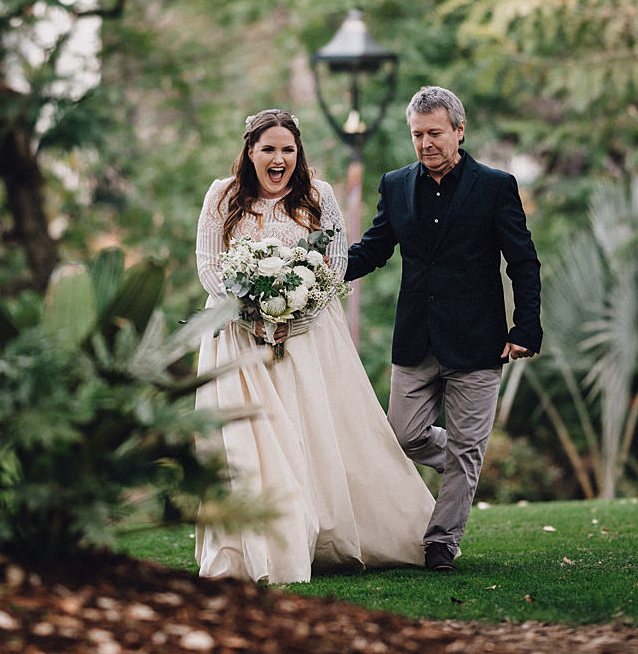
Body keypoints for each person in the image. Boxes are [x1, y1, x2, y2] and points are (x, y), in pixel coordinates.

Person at [193, 108, 436, 584]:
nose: (279, 158)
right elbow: (208, 265)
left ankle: (323, 534)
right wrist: (252, 314)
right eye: (269, 149)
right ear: (250, 152)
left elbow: (335, 263)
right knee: (251, 442)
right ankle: (256, 546)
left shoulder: (318, 196)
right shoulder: (221, 195)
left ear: (298, 153)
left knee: (312, 435)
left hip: (307, 338)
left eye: (288, 149)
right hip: (239, 341)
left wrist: (292, 316)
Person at [346, 86, 542, 572]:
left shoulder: (496, 186)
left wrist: (526, 327)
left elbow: (523, 261)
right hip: (415, 338)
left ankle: (441, 543)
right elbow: (373, 249)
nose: (426, 143)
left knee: (468, 448)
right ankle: (461, 461)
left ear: (459, 130)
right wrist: (316, 270)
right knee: (404, 436)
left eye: (435, 133)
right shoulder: (394, 184)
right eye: (417, 135)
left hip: (479, 341)